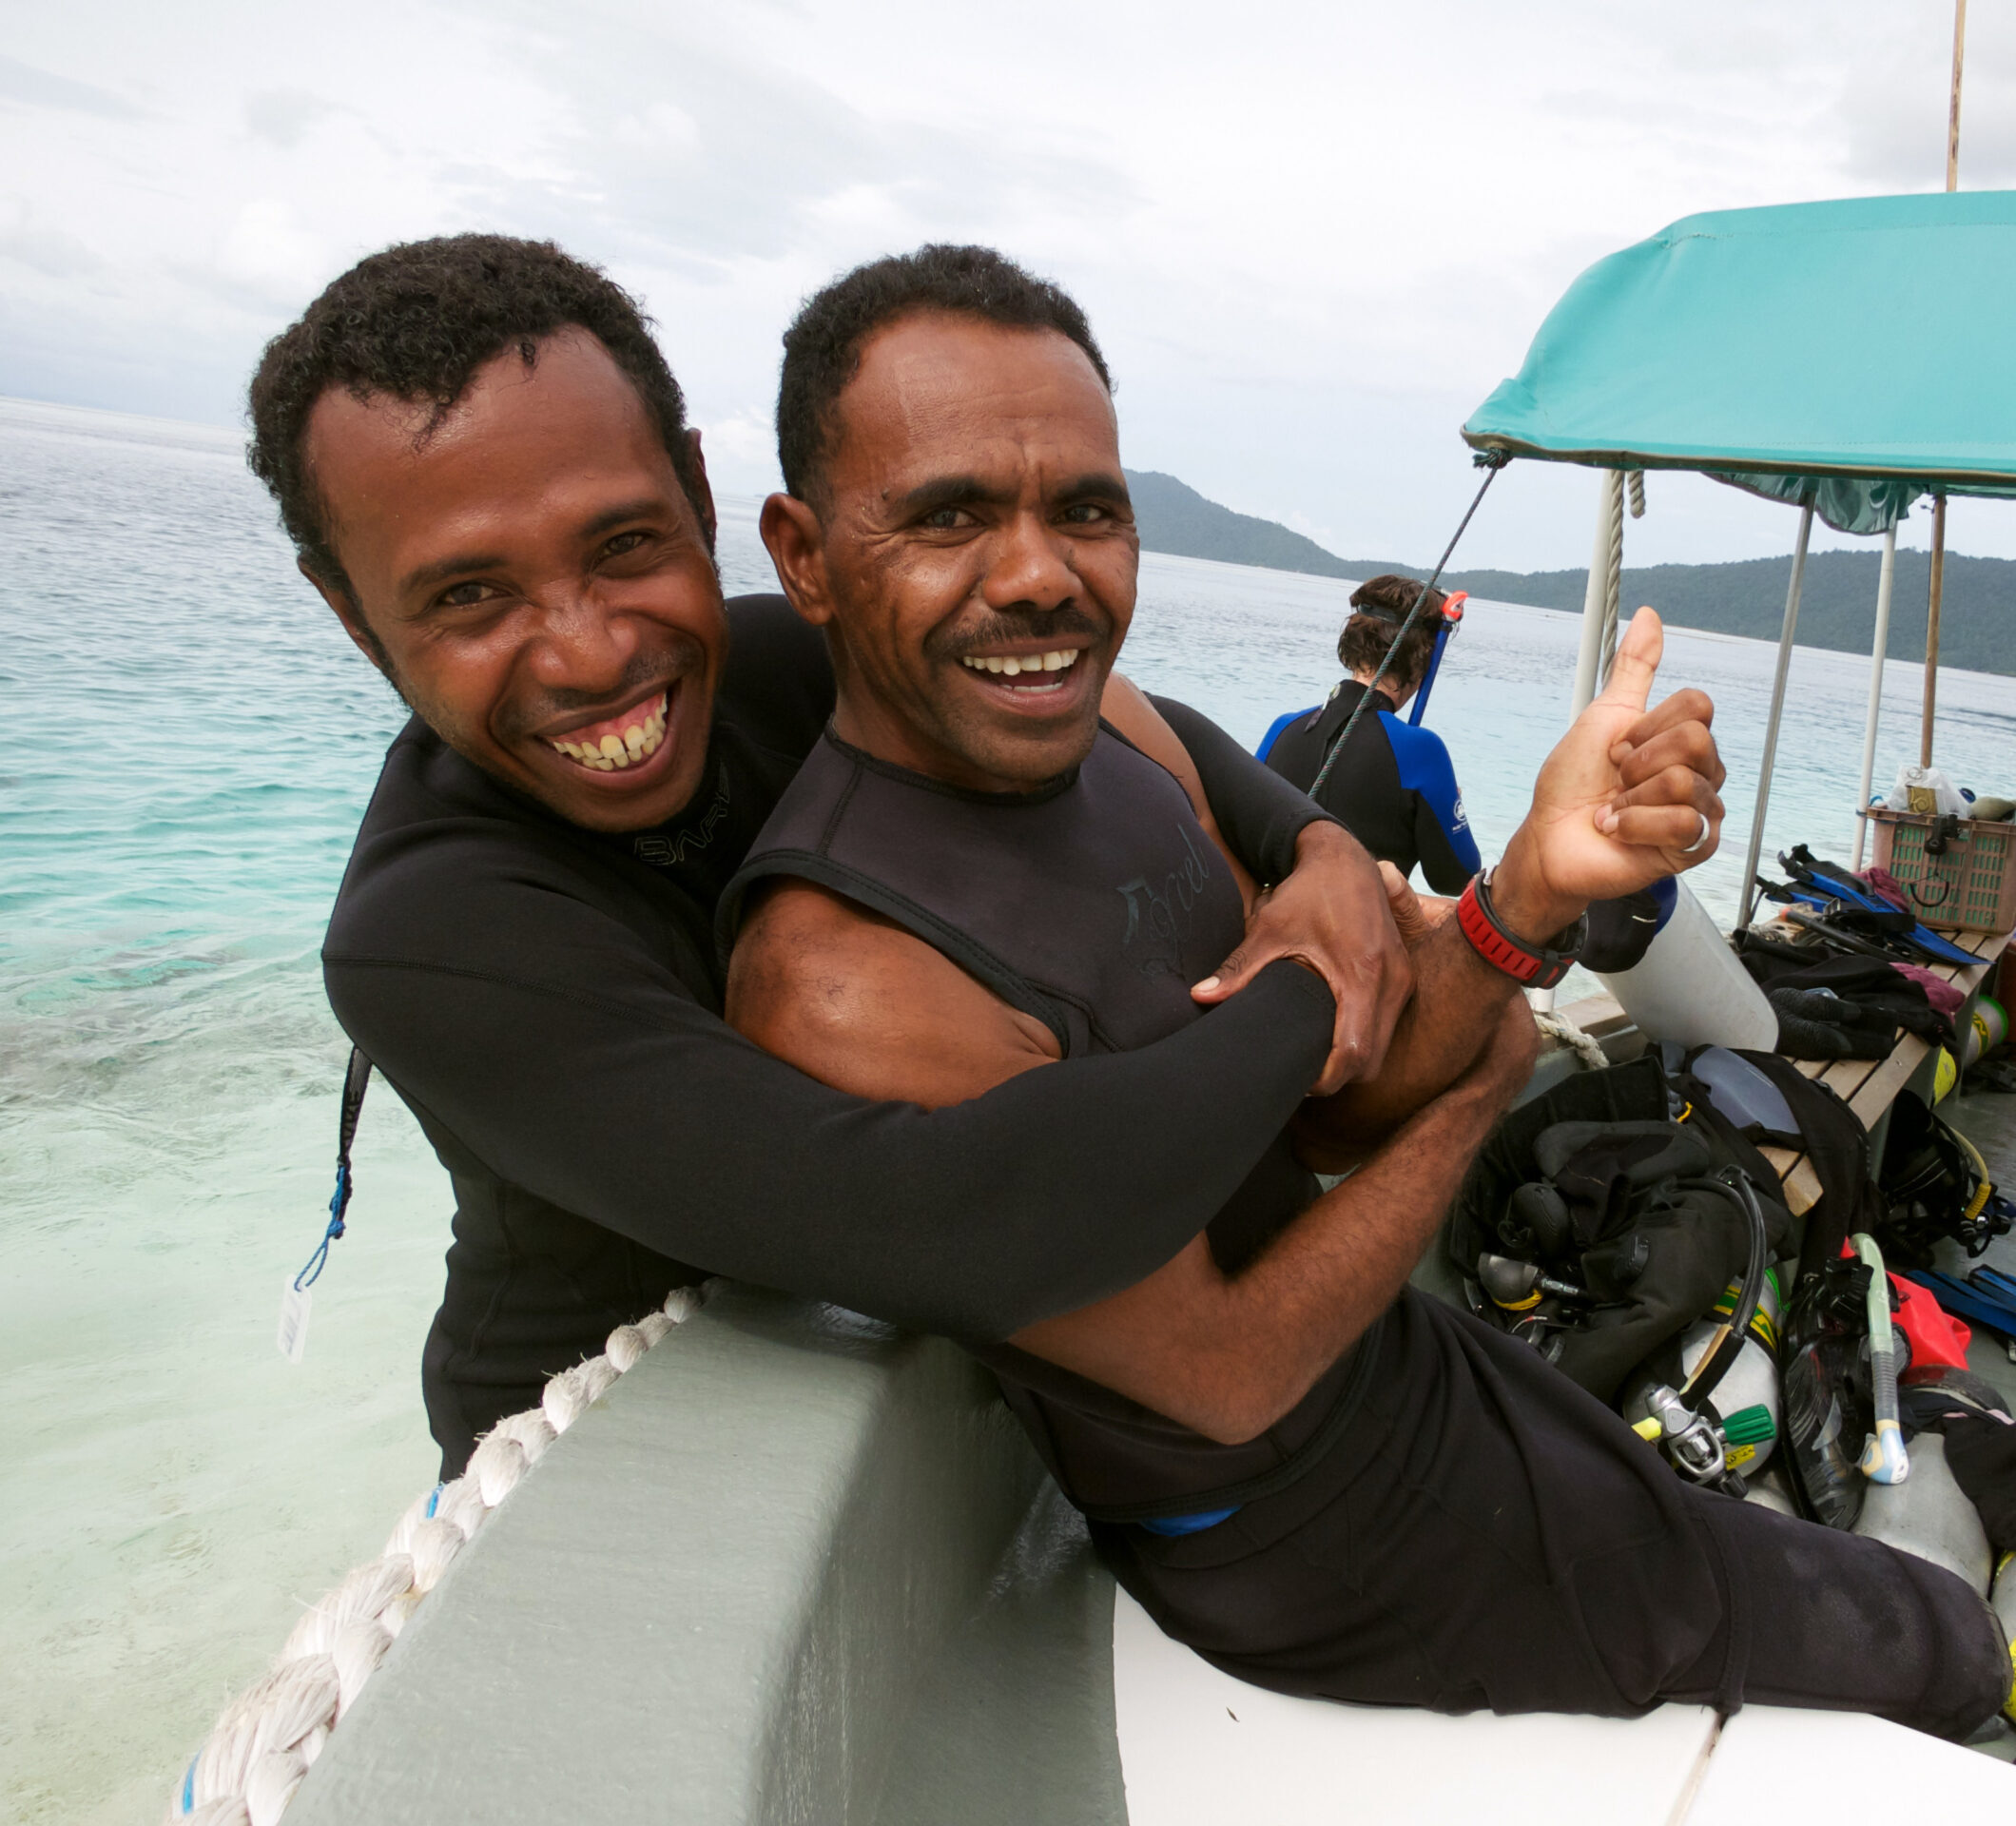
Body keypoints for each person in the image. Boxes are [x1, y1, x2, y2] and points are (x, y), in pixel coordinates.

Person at [724, 243, 2011, 1738]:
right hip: (1309, 1540)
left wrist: (1529, 894)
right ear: (804, 555)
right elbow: (1223, 1373)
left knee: (1748, 1552)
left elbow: (1327, 1111)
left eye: (1085, 510)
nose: (1038, 576)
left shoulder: (1125, 735)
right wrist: (1481, 1087)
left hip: (1399, 1365)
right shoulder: (847, 977)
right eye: (948, 516)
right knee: (1901, 1641)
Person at [243, 233, 1413, 1478]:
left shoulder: (768, 667)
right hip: (585, 1448)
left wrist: (1319, 848)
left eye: (626, 545)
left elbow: (1138, 719)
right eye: (469, 597)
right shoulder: (430, 936)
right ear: (351, 612)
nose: (592, 655)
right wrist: (1320, 973)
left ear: (700, 497)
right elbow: (948, 1221)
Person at [1262, 573, 1481, 891]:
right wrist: (1450, 808)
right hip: (1359, 921)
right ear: (1423, 660)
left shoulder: (1282, 728)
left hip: (1270, 915)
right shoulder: (1421, 749)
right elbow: (1456, 878)